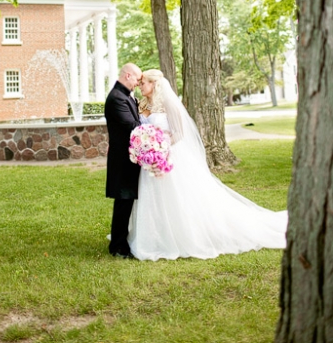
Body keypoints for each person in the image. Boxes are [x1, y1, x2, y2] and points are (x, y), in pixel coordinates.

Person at [128, 69, 287, 261]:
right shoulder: (143, 104)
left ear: (154, 84)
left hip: (169, 158)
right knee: (153, 198)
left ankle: (182, 235)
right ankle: (155, 237)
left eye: (143, 82)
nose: (140, 85)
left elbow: (179, 132)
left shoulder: (169, 103)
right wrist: (145, 148)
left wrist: (160, 149)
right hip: (150, 161)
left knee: (177, 198)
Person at [104, 63, 143, 259]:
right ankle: (118, 247)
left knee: (126, 201)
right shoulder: (116, 98)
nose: (138, 83)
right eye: (137, 79)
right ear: (128, 75)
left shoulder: (125, 96)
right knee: (123, 201)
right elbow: (132, 126)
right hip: (122, 159)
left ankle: (121, 241)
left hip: (128, 157)